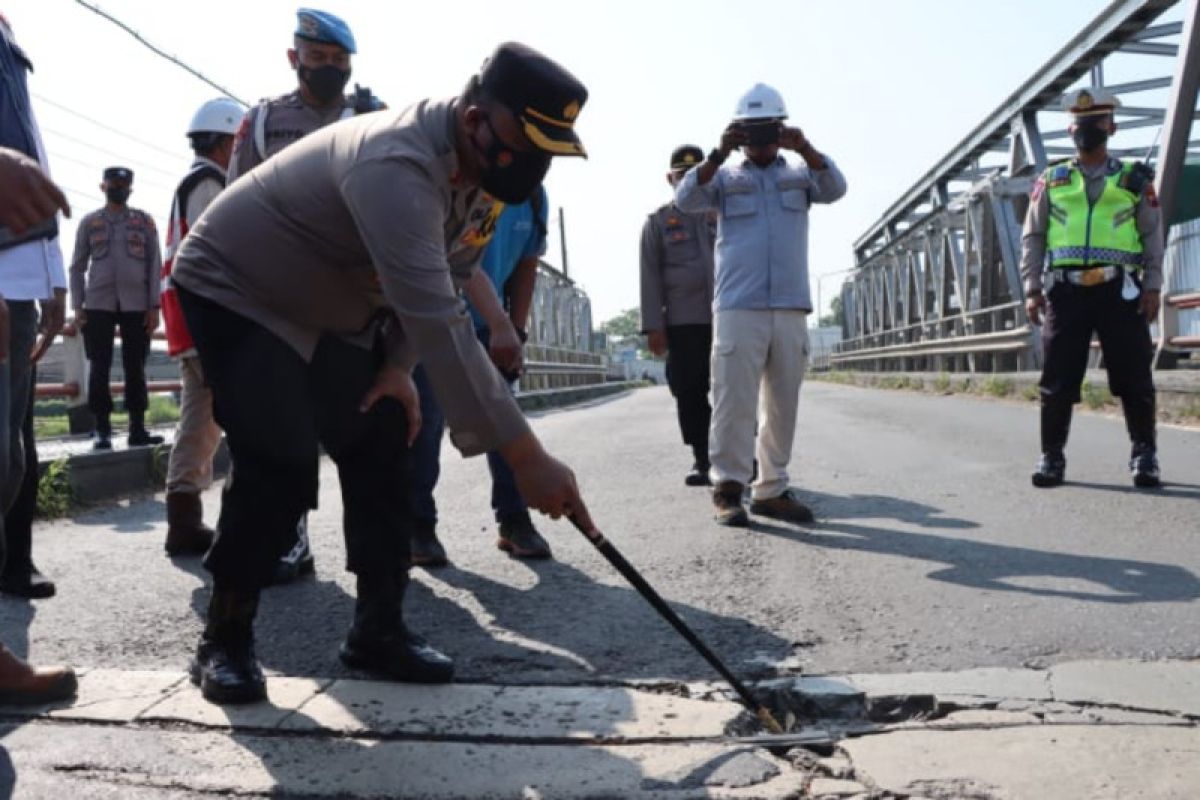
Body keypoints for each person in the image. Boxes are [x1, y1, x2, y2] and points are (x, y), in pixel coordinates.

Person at [171, 41, 593, 705]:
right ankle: (224, 638)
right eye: (527, 141)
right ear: (477, 117)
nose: (533, 164)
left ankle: (378, 630)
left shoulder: (486, 176)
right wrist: (526, 455)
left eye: (549, 149)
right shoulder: (398, 161)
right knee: (279, 457)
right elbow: (441, 321)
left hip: (331, 303)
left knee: (386, 430)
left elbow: (449, 279)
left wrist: (396, 367)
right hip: (241, 288)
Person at [227, 7, 385, 584]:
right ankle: (289, 538)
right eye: (317, 59)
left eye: (338, 61)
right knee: (281, 425)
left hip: (354, 299)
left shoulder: (371, 115)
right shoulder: (263, 122)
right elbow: (235, 206)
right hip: (280, 297)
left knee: (364, 433)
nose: (328, 70)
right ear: (294, 59)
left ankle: (375, 565)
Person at [676, 83, 847, 527]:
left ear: (783, 127)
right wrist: (717, 154)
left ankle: (771, 489)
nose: (762, 140)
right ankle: (728, 488)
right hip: (738, 306)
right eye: (752, 132)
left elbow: (836, 188)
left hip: (790, 305)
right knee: (734, 402)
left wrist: (805, 147)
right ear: (738, 133)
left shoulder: (800, 174)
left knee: (782, 403)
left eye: (770, 130)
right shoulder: (725, 179)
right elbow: (685, 198)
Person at [1022, 88, 1165, 489]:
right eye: (1081, 125)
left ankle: (1145, 456)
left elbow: (1151, 235)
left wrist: (1152, 285)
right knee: (1057, 379)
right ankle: (1051, 458)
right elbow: (1033, 236)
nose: (1087, 131)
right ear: (1070, 129)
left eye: (1096, 124)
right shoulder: (1052, 180)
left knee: (1134, 376)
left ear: (1112, 127)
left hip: (1119, 290)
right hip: (1065, 293)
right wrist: (1033, 288)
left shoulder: (1133, 180)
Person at [408, 187, 553, 567]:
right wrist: (500, 322)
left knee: (505, 422)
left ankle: (514, 520)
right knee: (425, 425)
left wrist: (515, 331)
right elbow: (459, 259)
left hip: (492, 327)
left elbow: (527, 264)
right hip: (437, 316)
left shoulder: (533, 196)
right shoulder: (473, 183)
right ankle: (418, 526)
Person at [0, 11, 76, 703]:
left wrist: (49, 273)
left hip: (14, 270)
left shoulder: (7, 33)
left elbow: (27, 154)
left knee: (9, 459)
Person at [160, 98, 244, 556]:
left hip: (186, 319)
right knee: (220, 417)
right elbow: (220, 252)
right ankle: (194, 521)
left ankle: (184, 519)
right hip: (206, 317)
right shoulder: (210, 183)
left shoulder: (189, 182)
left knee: (201, 419)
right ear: (227, 141)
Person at [69, 166, 164, 451]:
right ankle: (102, 431)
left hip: (137, 305)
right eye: (113, 185)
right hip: (98, 304)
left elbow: (154, 264)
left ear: (130, 189)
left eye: (123, 185)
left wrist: (154, 306)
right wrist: (77, 304)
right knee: (99, 366)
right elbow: (77, 266)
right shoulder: (90, 223)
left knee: (136, 366)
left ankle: (137, 429)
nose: (117, 189)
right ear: (103, 187)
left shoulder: (144, 223)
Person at [640, 145, 716, 487]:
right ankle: (703, 457)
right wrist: (654, 327)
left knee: (737, 390)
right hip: (683, 322)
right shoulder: (658, 222)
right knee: (688, 390)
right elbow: (649, 276)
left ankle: (745, 457)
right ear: (669, 179)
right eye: (680, 175)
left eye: (693, 174)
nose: (686, 181)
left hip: (727, 315)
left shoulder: (724, 213)